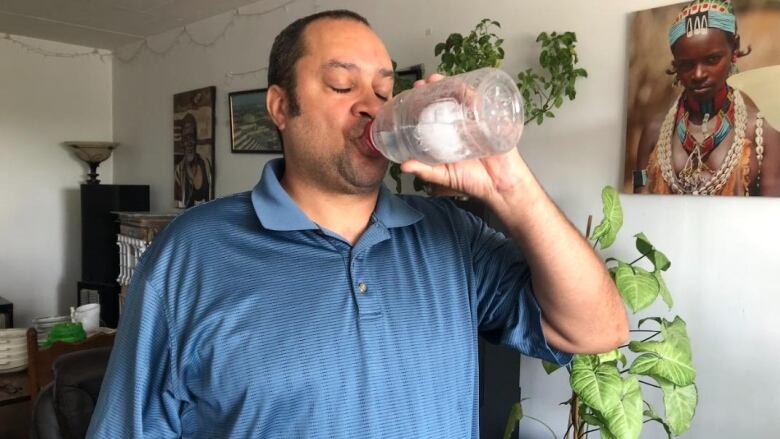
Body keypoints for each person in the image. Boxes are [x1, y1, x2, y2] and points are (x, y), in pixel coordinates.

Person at [87, 10, 628, 438]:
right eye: (343, 87)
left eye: (385, 90)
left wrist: (510, 184)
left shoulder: (449, 237)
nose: (372, 107)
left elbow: (599, 330)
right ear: (280, 106)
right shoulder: (192, 253)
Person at [635, 0, 780, 196]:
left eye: (712, 59)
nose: (698, 74)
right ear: (675, 64)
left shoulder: (761, 131)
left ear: (734, 48)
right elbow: (639, 202)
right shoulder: (655, 131)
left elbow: (771, 217)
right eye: (686, 65)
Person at [174, 113, 213, 207]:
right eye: (186, 138)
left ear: (195, 139)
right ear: (182, 141)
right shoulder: (179, 171)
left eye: (191, 136)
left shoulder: (206, 164)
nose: (189, 142)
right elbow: (178, 204)